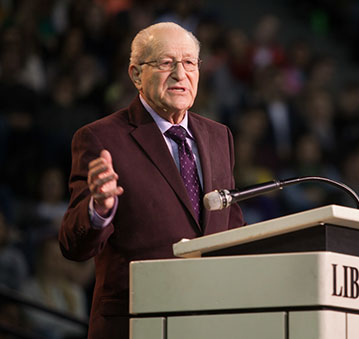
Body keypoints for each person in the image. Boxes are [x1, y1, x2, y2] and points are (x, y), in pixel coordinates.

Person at [59, 22, 245, 338]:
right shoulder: (100, 138)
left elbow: (231, 229)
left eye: (189, 62)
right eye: (165, 62)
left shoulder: (219, 136)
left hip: (210, 321)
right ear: (135, 75)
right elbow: (73, 245)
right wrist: (99, 208)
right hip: (136, 322)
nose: (180, 73)